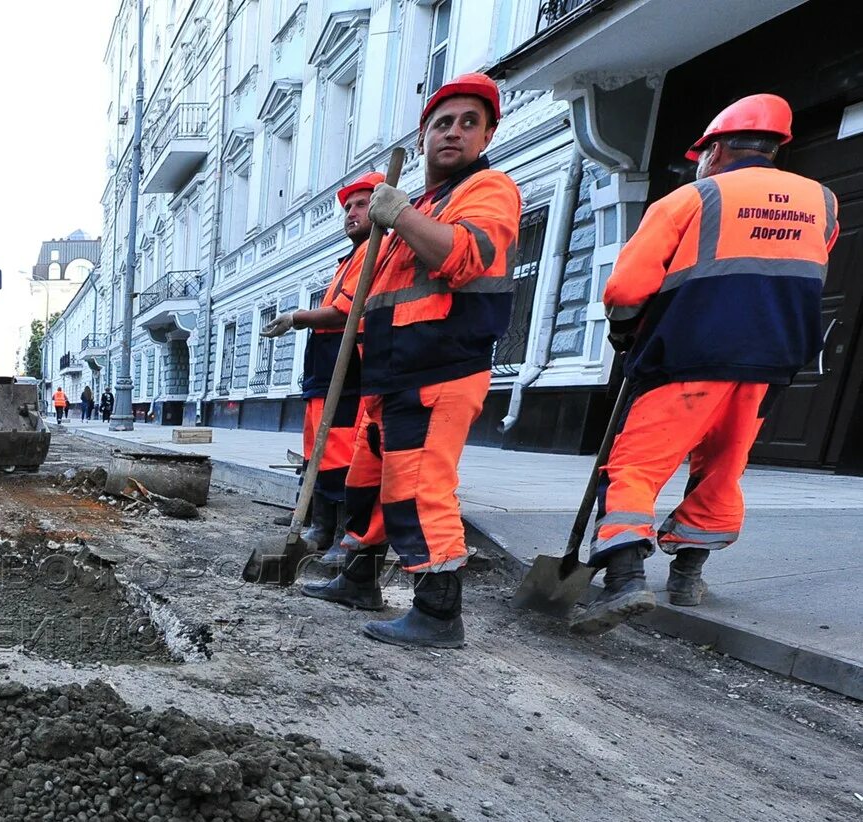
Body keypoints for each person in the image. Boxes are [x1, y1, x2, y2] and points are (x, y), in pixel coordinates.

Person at [571, 95, 838, 635]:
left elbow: (624, 288)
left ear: (715, 149)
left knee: (635, 467)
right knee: (722, 468)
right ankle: (687, 576)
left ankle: (624, 581)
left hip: (691, 356)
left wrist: (626, 334)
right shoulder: (824, 202)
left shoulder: (690, 199)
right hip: (771, 363)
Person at [303, 73, 521, 649]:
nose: (453, 133)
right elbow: (373, 297)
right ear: (423, 136)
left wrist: (399, 215)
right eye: (442, 123)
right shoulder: (422, 204)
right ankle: (359, 580)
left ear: (488, 132)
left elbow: (467, 258)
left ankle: (439, 612)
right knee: (368, 486)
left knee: (418, 487)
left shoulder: (487, 191)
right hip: (392, 372)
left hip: (439, 367)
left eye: (468, 123)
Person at [260, 170, 382, 560]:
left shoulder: (377, 251)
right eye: (348, 207)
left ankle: (342, 534)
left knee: (342, 454)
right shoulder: (349, 257)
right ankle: (319, 524)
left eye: (361, 204)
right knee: (318, 449)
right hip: (326, 372)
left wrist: (297, 318)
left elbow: (347, 311)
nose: (351, 212)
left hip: (350, 372)